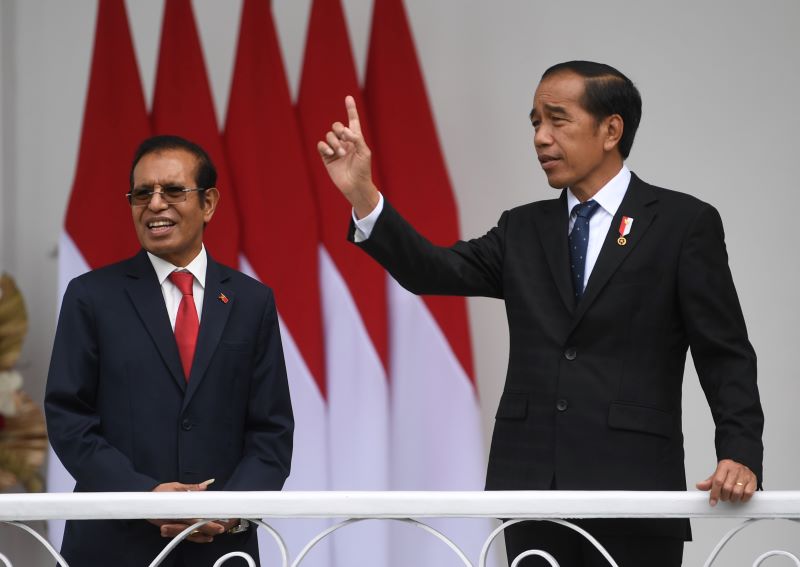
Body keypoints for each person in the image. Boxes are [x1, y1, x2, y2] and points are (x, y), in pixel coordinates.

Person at [317, 61, 764, 566]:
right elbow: (431, 271)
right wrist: (364, 196)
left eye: (557, 120)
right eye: (535, 123)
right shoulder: (523, 229)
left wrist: (739, 450)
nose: (541, 138)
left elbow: (724, 352)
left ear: (611, 129)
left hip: (635, 488)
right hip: (530, 488)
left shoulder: (683, 224)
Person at [45, 135, 293, 567]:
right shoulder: (90, 296)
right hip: (112, 547)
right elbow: (69, 420)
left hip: (220, 548)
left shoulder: (253, 302)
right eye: (142, 193)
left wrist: (225, 512)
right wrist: (143, 496)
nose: (155, 204)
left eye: (173, 191)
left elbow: (271, 433)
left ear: (209, 203)